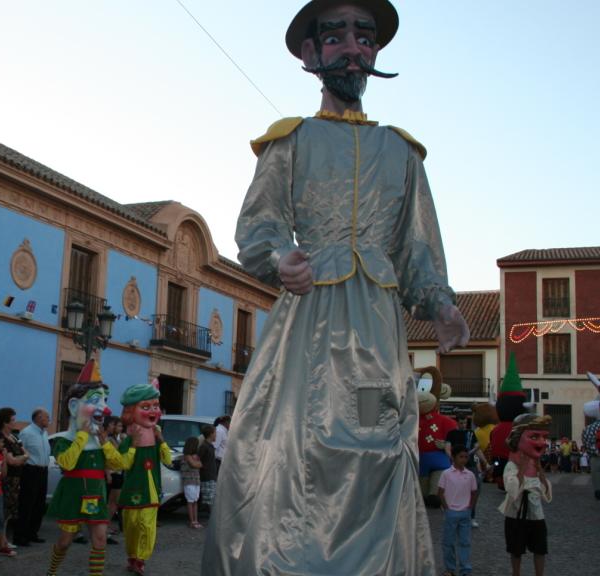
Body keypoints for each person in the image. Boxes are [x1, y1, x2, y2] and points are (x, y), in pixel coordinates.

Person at [201, 1, 470, 573]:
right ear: (310, 53)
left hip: (375, 336)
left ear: (375, 52)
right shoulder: (289, 141)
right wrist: (279, 258)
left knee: (374, 446)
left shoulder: (402, 152)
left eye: (364, 36)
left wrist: (441, 302)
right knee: (297, 447)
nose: (353, 46)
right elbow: (258, 227)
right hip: (308, 326)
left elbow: (419, 250)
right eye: (336, 35)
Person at [44, 359, 126, 576]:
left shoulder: (101, 440)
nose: (105, 408)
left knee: (100, 540)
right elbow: (67, 463)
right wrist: (82, 434)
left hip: (96, 495)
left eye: (105, 400)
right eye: (95, 400)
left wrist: (104, 443)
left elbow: (118, 464)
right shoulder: (64, 440)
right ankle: (51, 572)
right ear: (73, 406)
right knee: (64, 542)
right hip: (72, 494)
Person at [117, 383, 171, 575]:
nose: (153, 411)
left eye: (155, 406)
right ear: (131, 412)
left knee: (147, 527)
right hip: (132, 490)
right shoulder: (127, 440)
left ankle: (141, 559)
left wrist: (162, 439)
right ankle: (132, 556)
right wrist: (133, 444)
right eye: (146, 407)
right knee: (131, 526)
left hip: (151, 491)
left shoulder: (157, 438)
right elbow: (123, 464)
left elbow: (168, 459)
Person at [500, 414, 552, 576]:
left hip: (536, 514)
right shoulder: (511, 464)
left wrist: (540, 471)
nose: (541, 442)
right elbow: (512, 489)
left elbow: (546, 493)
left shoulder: (535, 464)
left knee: (540, 549)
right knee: (516, 550)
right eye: (535, 436)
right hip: (516, 514)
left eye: (544, 437)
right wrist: (522, 469)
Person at [438, 445, 478, 576]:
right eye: (461, 457)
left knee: (464, 542)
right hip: (451, 512)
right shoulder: (446, 474)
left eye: (466, 457)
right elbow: (441, 492)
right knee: (448, 543)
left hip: (464, 512)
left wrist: (470, 507)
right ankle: (450, 568)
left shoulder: (470, 474)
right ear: (454, 458)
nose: (464, 460)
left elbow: (474, 492)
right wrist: (447, 507)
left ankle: (465, 568)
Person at [16, 408, 51, 546]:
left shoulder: (44, 433)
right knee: (27, 503)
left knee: (39, 504)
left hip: (43, 471)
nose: (49, 419)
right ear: (38, 417)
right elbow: (20, 451)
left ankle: (32, 532)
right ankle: (21, 535)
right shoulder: (27, 433)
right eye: (46, 417)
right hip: (30, 471)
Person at [0, 407, 29, 544]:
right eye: (13, 420)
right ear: (5, 422)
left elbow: (26, 454)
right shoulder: (2, 438)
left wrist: (22, 457)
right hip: (7, 478)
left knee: (10, 510)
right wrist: (23, 458)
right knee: (4, 510)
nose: (15, 422)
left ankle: (3, 539)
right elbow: (12, 461)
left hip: (16, 478)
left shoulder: (14, 437)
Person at [445, 419, 487, 528]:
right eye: (461, 423)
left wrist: (484, 462)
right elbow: (448, 448)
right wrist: (453, 459)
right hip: (456, 464)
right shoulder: (451, 433)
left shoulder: (470, 433)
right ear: (457, 423)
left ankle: (471, 516)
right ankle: (455, 515)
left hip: (471, 465)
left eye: (464, 423)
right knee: (456, 490)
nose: (463, 425)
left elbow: (477, 448)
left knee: (475, 489)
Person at [103, 416, 125, 541]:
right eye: (118, 426)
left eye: (121, 426)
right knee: (111, 502)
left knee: (114, 503)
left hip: (118, 472)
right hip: (112, 472)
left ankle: (107, 525)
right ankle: (104, 527)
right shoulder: (110, 440)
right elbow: (111, 455)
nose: (120, 428)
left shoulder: (117, 438)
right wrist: (107, 473)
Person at [180, 437, 203, 529]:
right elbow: (195, 464)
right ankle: (192, 521)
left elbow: (200, 465)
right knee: (190, 501)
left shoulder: (194, 456)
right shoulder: (187, 456)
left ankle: (196, 520)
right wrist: (196, 462)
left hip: (196, 481)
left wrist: (197, 462)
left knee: (195, 501)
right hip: (189, 481)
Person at [197, 425, 218, 518]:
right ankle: (212, 516)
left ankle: (212, 515)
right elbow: (199, 460)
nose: (216, 435)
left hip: (212, 475)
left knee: (212, 496)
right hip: (207, 476)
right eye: (215, 433)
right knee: (209, 498)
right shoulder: (204, 446)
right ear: (210, 434)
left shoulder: (210, 446)